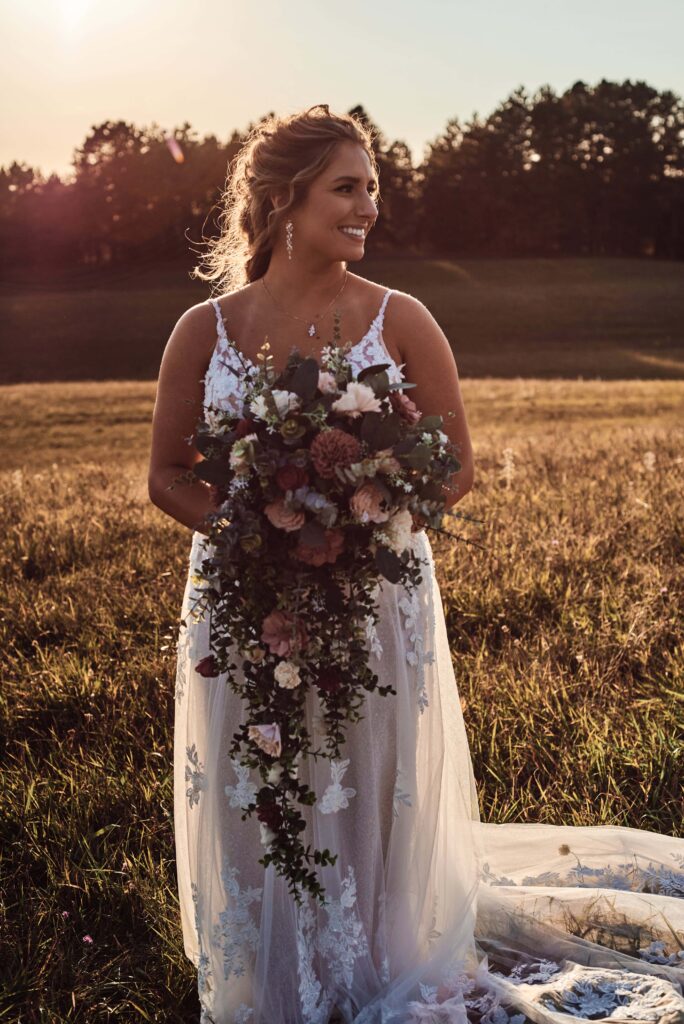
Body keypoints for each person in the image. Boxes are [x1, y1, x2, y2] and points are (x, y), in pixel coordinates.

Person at [148, 105, 684, 1024]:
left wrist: (350, 530)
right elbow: (165, 476)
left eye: (374, 192)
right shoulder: (206, 328)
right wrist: (252, 533)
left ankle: (382, 958)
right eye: (347, 189)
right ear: (284, 199)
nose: (368, 209)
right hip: (243, 598)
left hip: (370, 595)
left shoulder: (400, 319)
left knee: (368, 776)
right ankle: (266, 978)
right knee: (261, 770)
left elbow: (458, 469)